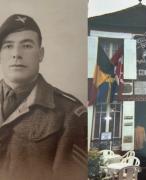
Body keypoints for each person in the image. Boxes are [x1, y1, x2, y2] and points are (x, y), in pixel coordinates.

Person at [0, 14, 87, 180]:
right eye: (8, 46)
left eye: (26, 45)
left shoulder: (69, 113)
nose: (16, 54)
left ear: (40, 54)